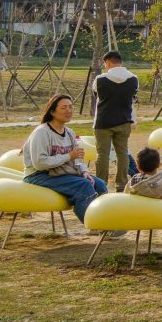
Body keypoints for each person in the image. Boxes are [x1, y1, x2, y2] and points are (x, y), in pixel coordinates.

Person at [21, 94, 118, 233]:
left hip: (61, 172)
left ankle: (108, 220)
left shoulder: (69, 133)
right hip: (39, 174)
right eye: (64, 107)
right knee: (83, 186)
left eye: (71, 107)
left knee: (99, 184)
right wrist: (68, 156)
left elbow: (77, 159)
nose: (69, 110)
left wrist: (84, 171)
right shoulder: (42, 132)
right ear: (52, 111)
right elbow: (39, 163)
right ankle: (96, 225)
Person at [92, 50, 138, 191]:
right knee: (122, 153)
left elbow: (96, 94)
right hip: (124, 121)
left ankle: (101, 184)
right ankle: (121, 184)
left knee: (102, 155)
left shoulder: (100, 79)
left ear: (109, 63)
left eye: (105, 64)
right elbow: (133, 98)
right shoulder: (133, 79)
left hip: (103, 123)